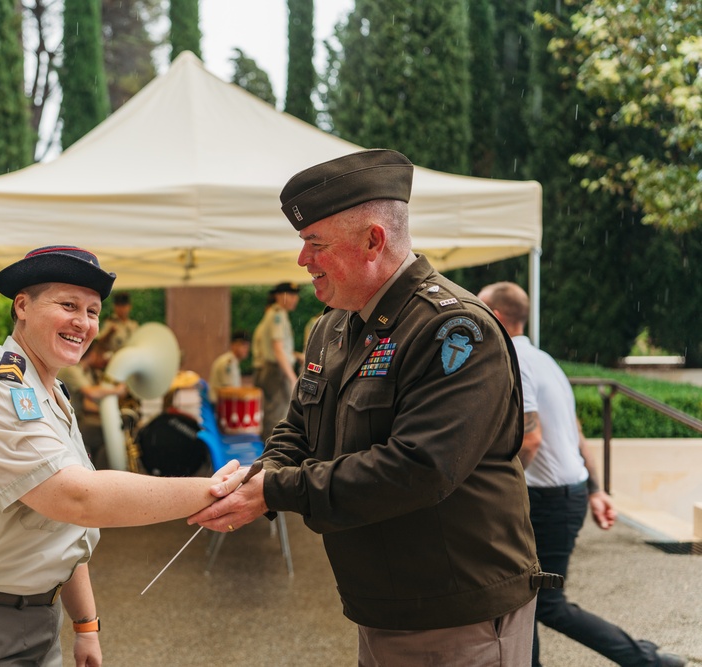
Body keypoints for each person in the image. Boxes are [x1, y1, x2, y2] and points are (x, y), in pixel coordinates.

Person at [189, 149, 543, 666]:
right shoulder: (334, 325)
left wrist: (275, 490)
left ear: (373, 241)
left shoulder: (453, 329)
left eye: (314, 244)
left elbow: (419, 468)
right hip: (382, 605)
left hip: (455, 610)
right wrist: (262, 475)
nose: (301, 260)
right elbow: (298, 428)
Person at [0, 246, 249, 667]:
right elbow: (74, 498)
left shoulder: (51, 392)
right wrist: (214, 490)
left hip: (35, 618)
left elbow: (65, 527)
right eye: (68, 305)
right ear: (22, 305)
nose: (84, 322)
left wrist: (85, 625)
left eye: (93, 311)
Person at [478, 281, 687, 667]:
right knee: (526, 601)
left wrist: (495, 493)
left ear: (497, 316)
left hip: (547, 500)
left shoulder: (514, 360)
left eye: (479, 308)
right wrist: (595, 488)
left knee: (542, 603)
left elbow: (532, 439)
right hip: (565, 494)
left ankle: (649, 660)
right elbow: (574, 429)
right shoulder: (544, 360)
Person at [57, 339, 126, 468]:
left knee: (105, 436)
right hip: (68, 423)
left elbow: (87, 404)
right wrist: (116, 390)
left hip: (75, 419)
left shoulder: (83, 370)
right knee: (106, 436)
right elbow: (91, 393)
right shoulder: (72, 369)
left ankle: (99, 470)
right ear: (93, 354)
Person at [252, 281, 300, 441]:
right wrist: (292, 377)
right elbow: (278, 349)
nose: (295, 299)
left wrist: (296, 355)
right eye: (291, 295)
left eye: (296, 295)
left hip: (272, 369)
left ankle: (270, 454)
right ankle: (273, 458)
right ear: (279, 296)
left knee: (273, 413)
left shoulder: (275, 313)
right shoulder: (277, 314)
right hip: (276, 371)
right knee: (278, 415)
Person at [207, 329, 251, 403]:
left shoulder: (233, 362)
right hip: (221, 406)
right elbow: (229, 391)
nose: (246, 349)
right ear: (233, 345)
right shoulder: (228, 363)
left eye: (247, 345)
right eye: (243, 344)